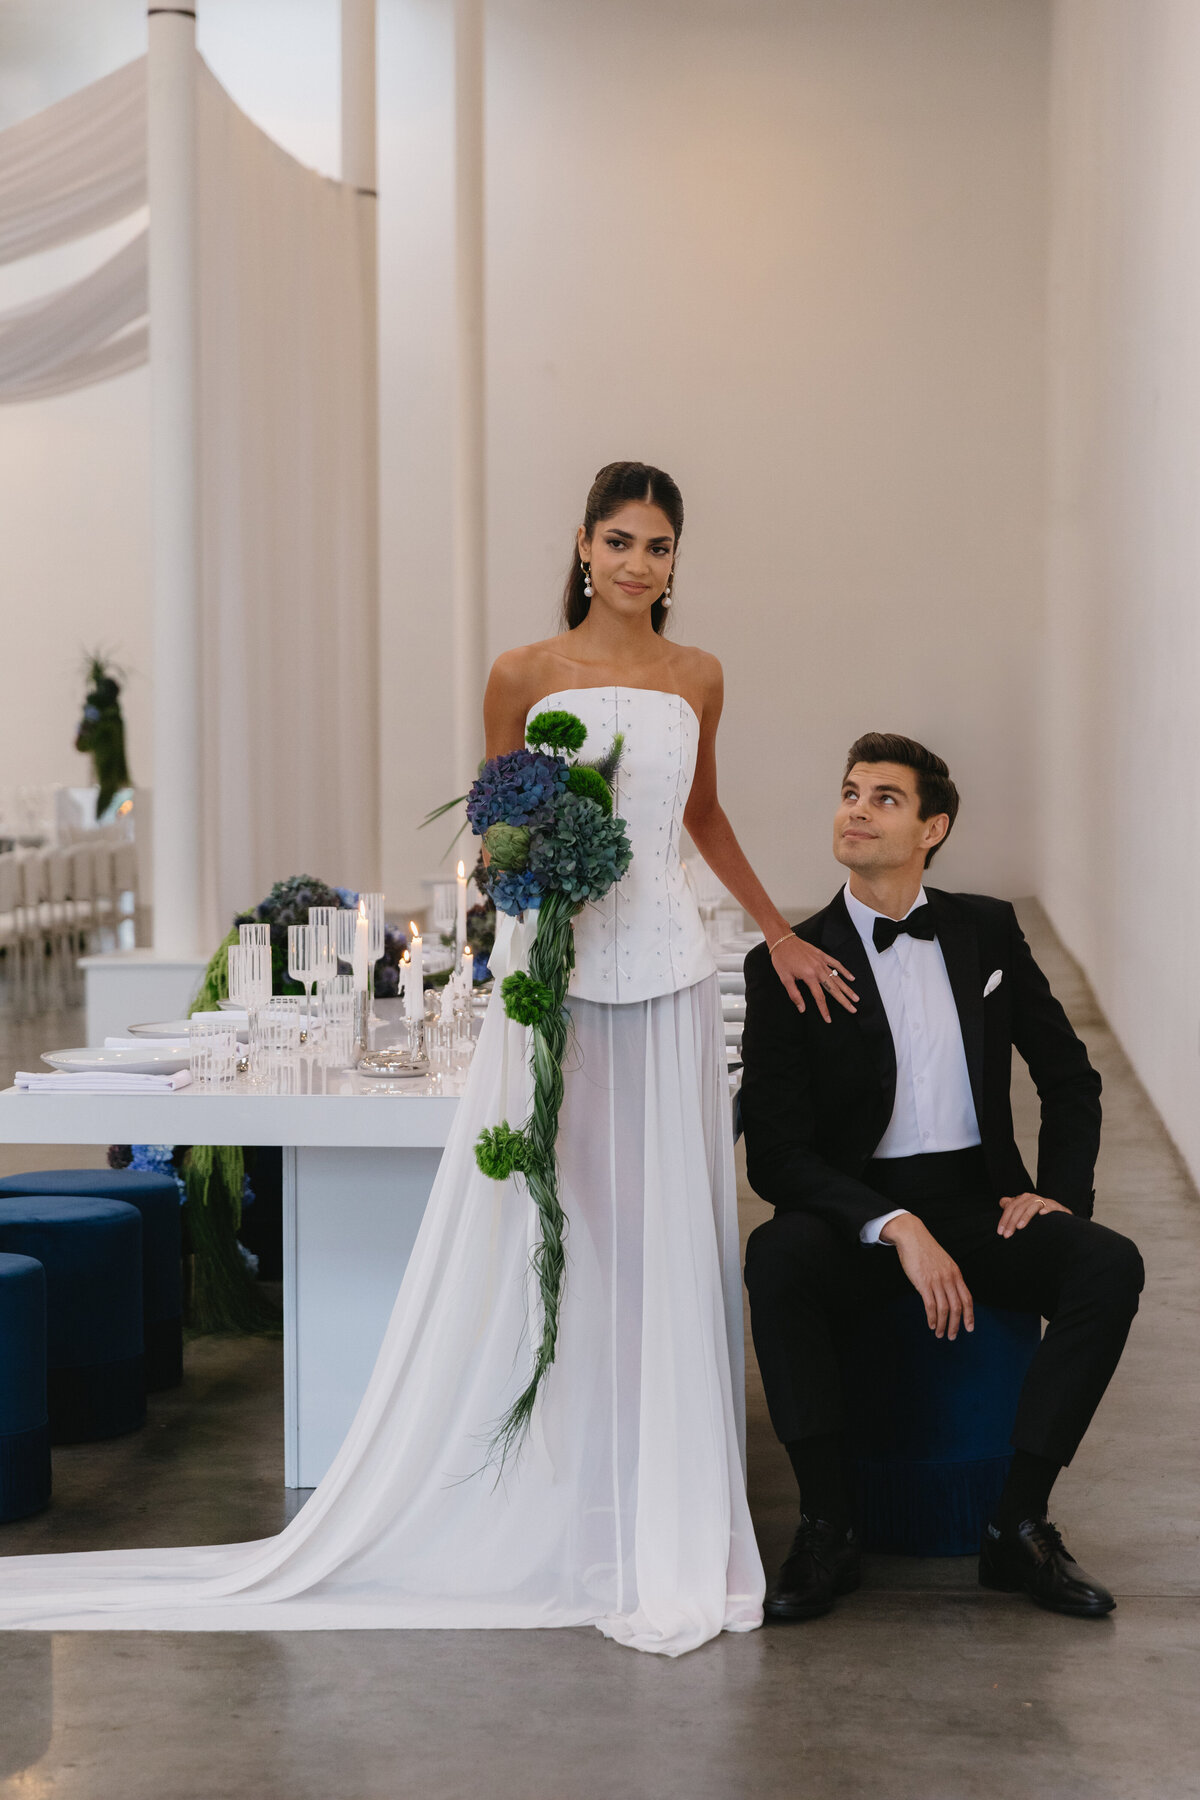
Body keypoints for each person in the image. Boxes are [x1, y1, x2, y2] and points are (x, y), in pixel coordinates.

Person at [0, 461, 849, 1657]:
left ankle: (667, 1506)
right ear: (584, 544)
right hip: (557, 974)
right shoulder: (524, 672)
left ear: (675, 561)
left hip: (669, 973)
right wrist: (529, 887)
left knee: (669, 1238)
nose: (638, 564)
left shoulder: (699, 675)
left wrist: (776, 929)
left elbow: (701, 818)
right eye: (619, 540)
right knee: (573, 1220)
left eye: (659, 546)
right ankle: (565, 1492)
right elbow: (497, 828)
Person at [740, 732, 1144, 1623]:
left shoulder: (986, 930)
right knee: (776, 1257)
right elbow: (774, 1156)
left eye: (884, 798)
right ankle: (826, 1525)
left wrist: (1059, 1195)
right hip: (860, 1213)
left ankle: (1018, 1525)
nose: (854, 808)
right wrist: (892, 1225)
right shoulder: (790, 961)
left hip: (978, 1200)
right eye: (849, 791)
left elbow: (1070, 1078)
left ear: (934, 827)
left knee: (1107, 1264)